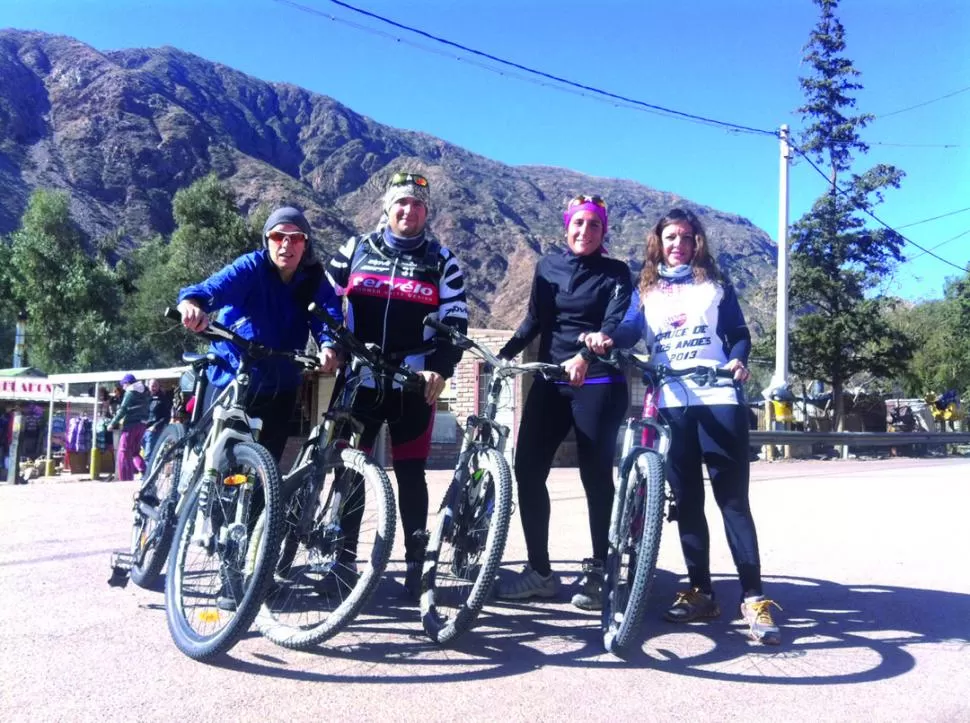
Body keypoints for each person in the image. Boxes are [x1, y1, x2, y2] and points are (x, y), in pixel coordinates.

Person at [586, 207, 781, 645]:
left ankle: (753, 597)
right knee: (688, 502)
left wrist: (739, 358)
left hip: (719, 400)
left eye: (686, 237)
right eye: (670, 237)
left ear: (697, 242)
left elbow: (738, 332)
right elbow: (630, 328)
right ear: (660, 242)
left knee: (732, 501)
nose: (678, 243)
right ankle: (701, 592)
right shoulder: (647, 290)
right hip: (671, 406)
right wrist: (607, 337)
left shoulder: (715, 286)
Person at [325, 171, 469, 600]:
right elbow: (327, 302)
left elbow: (456, 322)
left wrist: (440, 369)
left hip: (413, 383)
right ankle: (342, 560)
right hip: (360, 379)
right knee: (349, 472)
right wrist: (330, 344)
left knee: (411, 475)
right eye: (401, 203)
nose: (409, 211)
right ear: (386, 208)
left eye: (418, 204)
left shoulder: (443, 262)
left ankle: (414, 565)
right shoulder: (355, 249)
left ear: (428, 212)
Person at [494, 194, 633, 611]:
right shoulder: (547, 267)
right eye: (578, 224)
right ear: (566, 226)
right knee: (528, 470)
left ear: (603, 231)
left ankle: (599, 570)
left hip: (599, 380)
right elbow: (534, 321)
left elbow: (611, 325)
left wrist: (587, 356)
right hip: (552, 379)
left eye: (593, 226)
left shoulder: (616, 272)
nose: (584, 232)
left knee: (595, 476)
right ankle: (540, 572)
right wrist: (501, 356)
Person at [176, 206, 342, 463]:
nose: (287, 244)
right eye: (278, 237)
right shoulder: (251, 267)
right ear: (267, 240)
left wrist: (328, 346)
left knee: (266, 471)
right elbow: (216, 287)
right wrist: (193, 303)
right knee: (211, 460)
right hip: (232, 376)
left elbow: (327, 317)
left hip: (281, 384)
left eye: (296, 237)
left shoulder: (314, 280)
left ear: (305, 244)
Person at [108, 374, 151, 481]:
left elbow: (123, 410)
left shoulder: (130, 392)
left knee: (123, 451)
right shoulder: (145, 392)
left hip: (131, 425)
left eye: (123, 384)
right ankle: (145, 472)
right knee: (135, 451)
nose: (123, 387)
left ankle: (125, 479)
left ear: (128, 383)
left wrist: (112, 423)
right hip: (142, 424)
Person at [142, 379, 173, 464]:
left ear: (159, 386)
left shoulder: (163, 399)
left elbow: (166, 417)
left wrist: (155, 426)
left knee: (149, 455)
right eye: (152, 385)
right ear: (148, 386)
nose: (153, 387)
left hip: (154, 430)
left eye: (155, 385)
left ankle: (147, 476)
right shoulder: (145, 398)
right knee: (143, 453)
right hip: (143, 429)